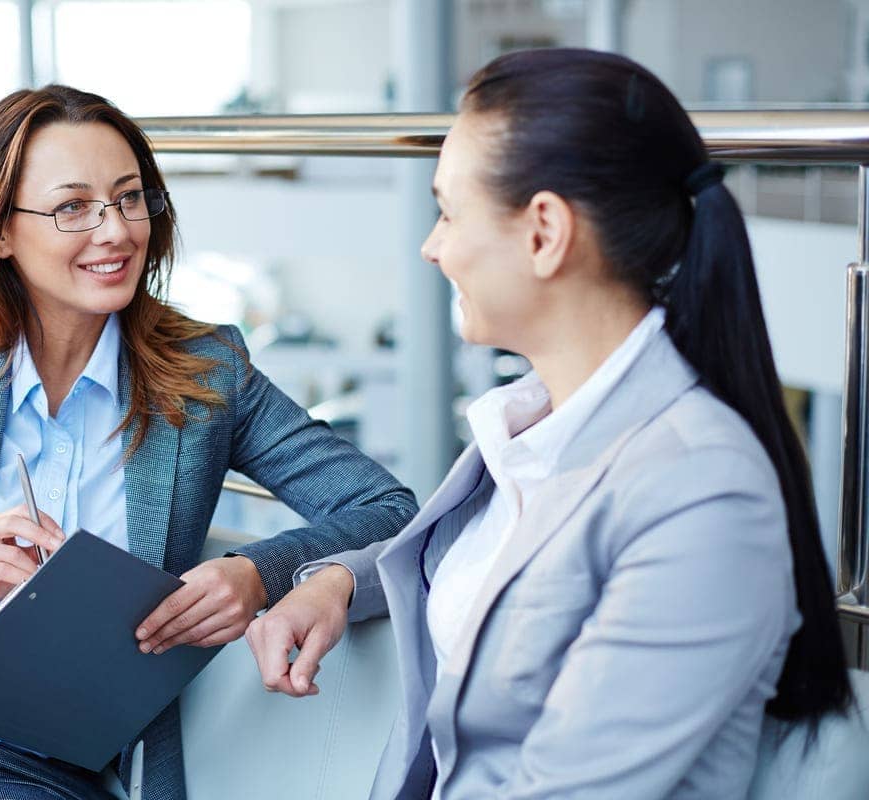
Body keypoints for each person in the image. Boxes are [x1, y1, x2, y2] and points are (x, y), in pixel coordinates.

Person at [0, 85, 417, 800]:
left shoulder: (209, 377)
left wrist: (258, 574)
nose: (115, 231)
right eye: (72, 207)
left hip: (38, 762)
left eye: (128, 198)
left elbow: (388, 506)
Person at [245, 48, 851, 799]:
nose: (432, 247)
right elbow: (489, 576)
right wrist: (338, 580)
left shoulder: (701, 489)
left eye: (447, 210)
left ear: (543, 233)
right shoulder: (537, 428)